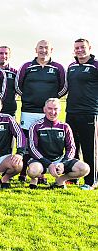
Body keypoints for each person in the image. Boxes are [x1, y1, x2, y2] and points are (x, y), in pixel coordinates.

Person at [16, 40, 67, 184]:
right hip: (29, 111)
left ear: (51, 50)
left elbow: (64, 87)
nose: (43, 50)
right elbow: (18, 87)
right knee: (25, 142)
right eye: (40, 48)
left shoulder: (58, 67)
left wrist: (51, 103)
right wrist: (28, 99)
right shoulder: (26, 66)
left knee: (43, 143)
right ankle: (23, 172)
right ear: (36, 49)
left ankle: (41, 174)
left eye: (46, 48)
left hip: (48, 112)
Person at [27, 98, 90, 189]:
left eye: (55, 109)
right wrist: (48, 164)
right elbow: (32, 148)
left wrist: (63, 163)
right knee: (33, 171)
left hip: (59, 161)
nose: (53, 112)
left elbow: (71, 148)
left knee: (85, 168)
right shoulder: (36, 126)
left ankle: (60, 180)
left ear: (60, 110)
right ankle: (35, 179)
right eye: (50, 108)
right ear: (44, 109)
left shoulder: (65, 126)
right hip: (41, 161)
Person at [66, 38, 98, 190]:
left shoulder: (95, 65)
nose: (79, 50)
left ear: (89, 48)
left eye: (82, 47)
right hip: (71, 112)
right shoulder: (71, 66)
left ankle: (92, 181)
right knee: (72, 147)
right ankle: (75, 177)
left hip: (90, 113)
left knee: (89, 148)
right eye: (77, 48)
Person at [0, 46, 19, 117]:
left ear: (9, 56)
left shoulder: (14, 72)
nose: (4, 56)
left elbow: (18, 90)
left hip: (9, 111)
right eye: (1, 53)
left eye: (6, 53)